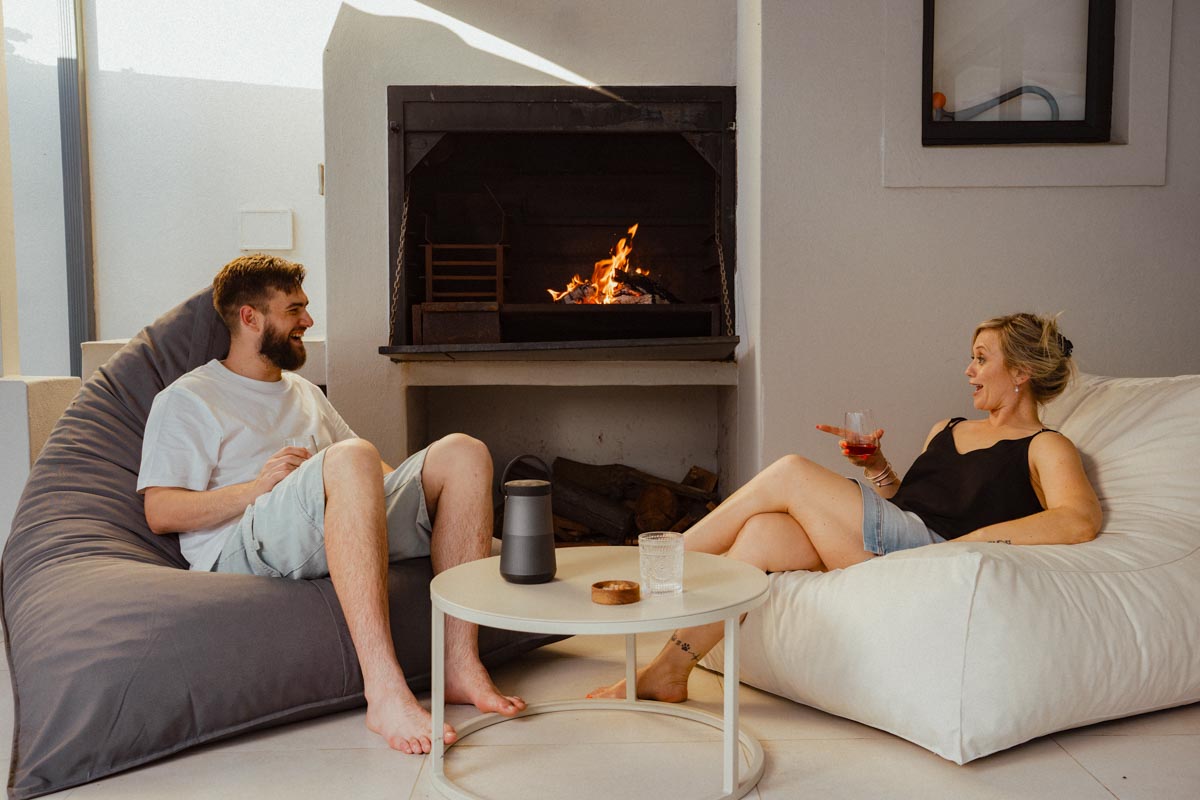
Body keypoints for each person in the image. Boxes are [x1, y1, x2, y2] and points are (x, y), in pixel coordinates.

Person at [589, 312, 1102, 703]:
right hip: (901, 539)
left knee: (790, 469)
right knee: (765, 531)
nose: (968, 370)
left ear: (1022, 372)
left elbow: (1078, 519)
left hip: (934, 556)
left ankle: (648, 568)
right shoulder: (947, 429)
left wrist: (971, 545)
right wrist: (877, 466)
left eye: (981, 358)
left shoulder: (1045, 445)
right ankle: (668, 672)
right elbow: (903, 507)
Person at [137, 254, 525, 755]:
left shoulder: (302, 391)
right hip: (241, 547)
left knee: (463, 453)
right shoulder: (189, 398)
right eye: (294, 309)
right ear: (250, 317)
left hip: (325, 522)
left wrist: (437, 496)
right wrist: (257, 489)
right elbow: (161, 511)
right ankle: (383, 690)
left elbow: (370, 471)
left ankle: (458, 662)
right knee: (351, 455)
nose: (308, 321)